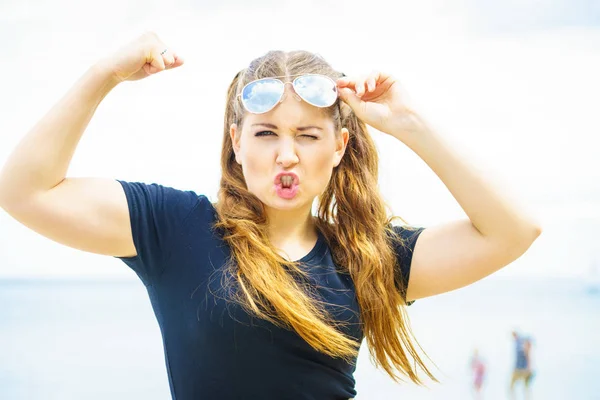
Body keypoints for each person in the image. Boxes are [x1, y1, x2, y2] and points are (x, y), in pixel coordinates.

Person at [0, 32, 542, 400]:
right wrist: (103, 73)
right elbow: (23, 191)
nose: (287, 154)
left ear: (339, 147)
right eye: (266, 133)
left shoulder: (366, 257)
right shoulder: (173, 228)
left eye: (308, 135)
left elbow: (514, 230)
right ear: (236, 142)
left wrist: (412, 123)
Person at [510, 331, 535, 400]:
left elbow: (527, 354)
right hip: (520, 368)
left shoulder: (520, 342)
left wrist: (529, 367)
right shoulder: (518, 342)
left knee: (523, 387)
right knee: (524, 387)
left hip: (521, 369)